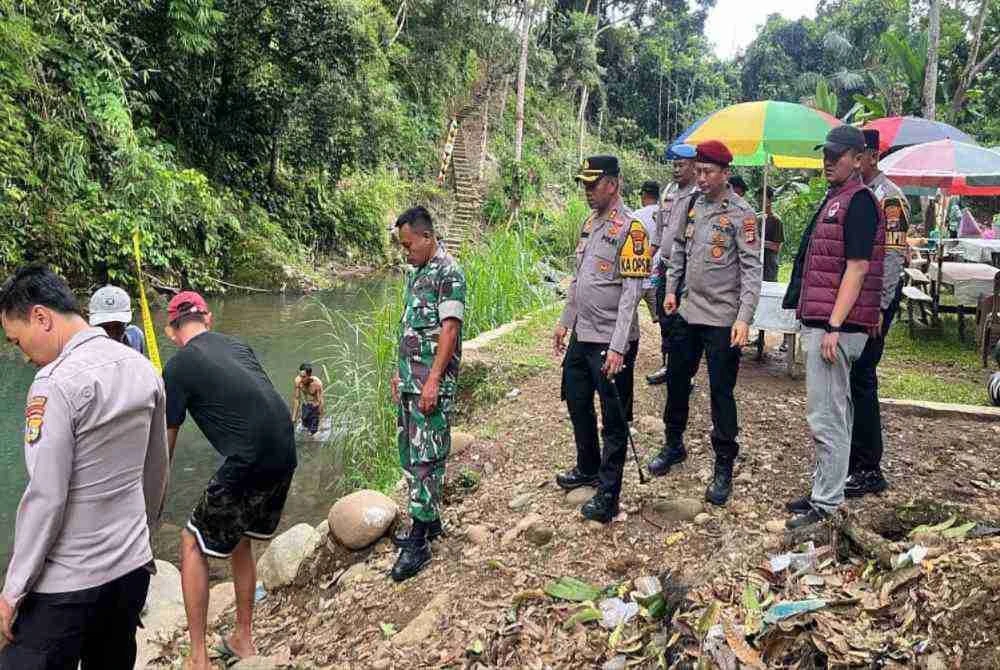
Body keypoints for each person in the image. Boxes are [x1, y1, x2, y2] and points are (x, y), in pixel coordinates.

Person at [0, 264, 169, 670]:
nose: (23, 356)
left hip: (69, 585)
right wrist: (141, 541)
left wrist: (12, 593)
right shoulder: (142, 368)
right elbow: (156, 472)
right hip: (130, 571)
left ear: (41, 317)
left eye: (18, 341)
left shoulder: (54, 383)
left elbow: (46, 498)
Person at [162, 291, 297, 669]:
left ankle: (198, 659)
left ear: (172, 332)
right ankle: (243, 638)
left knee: (191, 542)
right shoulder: (238, 346)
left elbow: (166, 443)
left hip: (249, 458)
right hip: (285, 449)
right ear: (207, 319)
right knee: (239, 541)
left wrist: (154, 496)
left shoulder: (177, 367)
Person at [782, 125, 884, 530]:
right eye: (825, 154)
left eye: (836, 155)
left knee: (827, 415)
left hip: (836, 327)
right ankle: (825, 489)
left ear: (858, 160)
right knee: (830, 413)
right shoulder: (837, 199)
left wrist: (834, 324)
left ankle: (825, 505)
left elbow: (857, 267)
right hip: (830, 324)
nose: (827, 161)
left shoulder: (858, 201)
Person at [649, 141, 762, 507]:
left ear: (725, 173)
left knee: (720, 392)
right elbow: (678, 250)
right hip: (687, 310)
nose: (701, 178)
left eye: (708, 172)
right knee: (678, 381)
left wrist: (744, 318)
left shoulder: (742, 214)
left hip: (722, 318)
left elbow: (751, 269)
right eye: (698, 171)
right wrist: (670, 289)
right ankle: (673, 443)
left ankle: (724, 463)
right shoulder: (693, 205)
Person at [553, 155, 651, 523]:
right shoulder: (588, 224)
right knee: (576, 399)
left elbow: (631, 294)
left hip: (612, 337)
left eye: (593, 184)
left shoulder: (633, 229)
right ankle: (587, 466)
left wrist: (618, 346)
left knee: (614, 418)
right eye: (584, 184)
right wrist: (565, 321)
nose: (587, 191)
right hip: (584, 333)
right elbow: (578, 280)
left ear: (613, 183)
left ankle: (609, 495)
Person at [390, 206, 466, 581]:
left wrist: (433, 380)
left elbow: (449, 331)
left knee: (427, 456)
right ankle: (429, 520)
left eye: (409, 245)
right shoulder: (417, 272)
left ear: (426, 237)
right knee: (410, 452)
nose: (406, 252)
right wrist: (397, 373)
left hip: (430, 383)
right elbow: (409, 326)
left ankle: (420, 541)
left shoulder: (448, 272)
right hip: (410, 381)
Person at [845, 128, 910, 498]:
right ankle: (855, 457)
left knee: (864, 378)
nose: (854, 161)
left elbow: (893, 260)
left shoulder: (890, 199)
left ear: (872, 155)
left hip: (876, 301)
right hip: (855, 297)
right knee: (853, 378)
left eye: (858, 154)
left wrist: (881, 308)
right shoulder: (856, 194)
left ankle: (869, 467)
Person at [647, 144, 698, 386]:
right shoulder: (669, 192)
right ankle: (668, 366)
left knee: (682, 324)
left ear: (694, 166)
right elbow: (659, 232)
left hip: (687, 272)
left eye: (681, 165)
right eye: (674, 165)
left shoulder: (698, 196)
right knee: (665, 320)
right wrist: (647, 258)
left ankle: (684, 375)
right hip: (666, 267)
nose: (676, 170)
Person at [632, 180, 662, 322]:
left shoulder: (636, 216)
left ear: (643, 195)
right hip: (659, 277)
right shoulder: (666, 214)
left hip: (638, 274)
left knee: (627, 318)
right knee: (664, 321)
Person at [88, 284, 147, 355]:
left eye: (118, 326)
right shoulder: (85, 350)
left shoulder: (135, 336)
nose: (112, 334)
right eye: (105, 328)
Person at [291, 362, 324, 435]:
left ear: (309, 376)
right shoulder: (298, 381)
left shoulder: (317, 384)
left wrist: (321, 421)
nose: (301, 379)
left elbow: (321, 402)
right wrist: (294, 418)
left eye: (304, 377)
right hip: (306, 405)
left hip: (315, 406)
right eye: (300, 375)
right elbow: (296, 399)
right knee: (304, 427)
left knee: (312, 433)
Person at [760, 187, 784, 282]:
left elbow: (777, 247)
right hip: (756, 265)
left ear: (770, 201)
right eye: (759, 200)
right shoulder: (757, 218)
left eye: (762, 200)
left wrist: (761, 243)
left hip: (770, 265)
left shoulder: (776, 221)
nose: (760, 203)